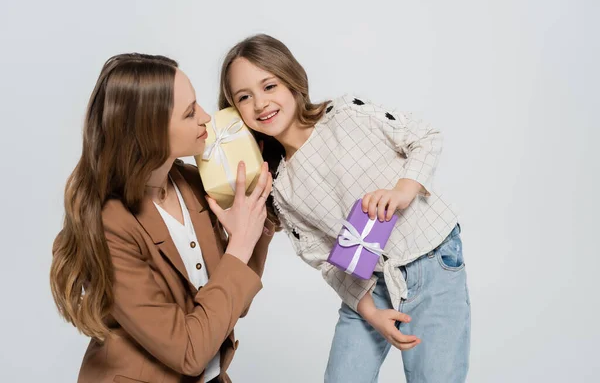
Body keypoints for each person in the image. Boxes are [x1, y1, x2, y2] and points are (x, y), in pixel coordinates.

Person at [218, 34, 470, 382]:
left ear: (292, 80)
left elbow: (424, 137)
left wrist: (402, 190)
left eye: (269, 85)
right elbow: (324, 257)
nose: (260, 103)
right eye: (244, 97)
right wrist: (369, 311)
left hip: (431, 259)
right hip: (367, 285)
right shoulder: (280, 186)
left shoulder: (345, 115)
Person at [50, 53, 276, 383]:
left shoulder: (192, 183)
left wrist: (256, 223)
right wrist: (239, 245)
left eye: (197, 104)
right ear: (149, 133)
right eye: (189, 113)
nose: (205, 118)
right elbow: (189, 352)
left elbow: (231, 305)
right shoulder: (109, 227)